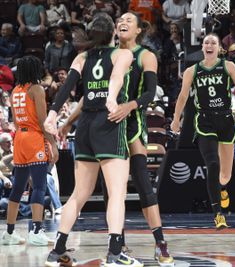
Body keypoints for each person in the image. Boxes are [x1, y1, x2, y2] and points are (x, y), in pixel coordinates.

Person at [59, 12, 174, 266]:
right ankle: (117, 244)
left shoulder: (145, 55)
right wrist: (68, 121)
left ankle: (160, 242)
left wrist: (129, 106)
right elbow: (89, 95)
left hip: (131, 122)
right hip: (106, 123)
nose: (122, 23)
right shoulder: (105, 53)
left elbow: (150, 92)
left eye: (128, 21)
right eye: (119, 20)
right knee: (109, 190)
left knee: (143, 185)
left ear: (138, 30)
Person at [43, 14, 142, 267]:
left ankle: (57, 250)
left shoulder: (82, 57)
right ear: (113, 34)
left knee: (79, 194)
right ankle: (115, 252)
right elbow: (117, 77)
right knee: (117, 193)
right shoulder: (121, 54)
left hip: (85, 126)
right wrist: (111, 97)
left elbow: (67, 89)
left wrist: (54, 115)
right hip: (108, 124)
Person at [170, 33, 235, 229]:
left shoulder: (227, 66)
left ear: (218, 48)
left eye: (213, 42)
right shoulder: (192, 71)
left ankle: (221, 186)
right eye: (206, 42)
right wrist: (176, 119)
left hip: (225, 120)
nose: (209, 45)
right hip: (205, 121)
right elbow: (182, 97)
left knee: (225, 175)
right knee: (212, 163)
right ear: (202, 48)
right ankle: (218, 214)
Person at [1, 55, 58, 246]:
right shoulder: (36, 89)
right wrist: (52, 144)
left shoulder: (15, 90)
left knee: (18, 187)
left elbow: (16, 122)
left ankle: (9, 232)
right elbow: (43, 122)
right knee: (39, 186)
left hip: (20, 139)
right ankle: (36, 231)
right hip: (34, 138)